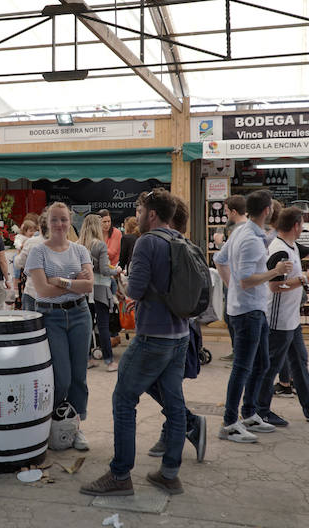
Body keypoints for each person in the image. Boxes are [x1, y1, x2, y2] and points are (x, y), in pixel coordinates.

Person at [80, 188, 189, 497]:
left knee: (124, 400)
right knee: (175, 403)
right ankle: (170, 474)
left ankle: (119, 475)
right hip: (180, 335)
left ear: (151, 214)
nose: (137, 217)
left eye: (140, 211)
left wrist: (126, 285)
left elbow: (136, 291)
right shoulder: (180, 239)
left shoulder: (147, 242)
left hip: (152, 336)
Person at [214, 189, 293, 443]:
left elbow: (220, 258)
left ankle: (248, 414)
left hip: (252, 309)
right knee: (242, 368)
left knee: (262, 364)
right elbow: (246, 280)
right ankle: (229, 423)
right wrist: (276, 271)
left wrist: (231, 288)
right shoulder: (248, 238)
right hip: (247, 312)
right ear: (268, 210)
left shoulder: (246, 232)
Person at [253, 207, 309, 427]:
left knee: (299, 362)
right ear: (296, 226)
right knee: (271, 366)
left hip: (291, 320)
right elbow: (274, 286)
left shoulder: (290, 246)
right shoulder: (279, 251)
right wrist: (305, 279)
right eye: (302, 223)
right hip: (278, 319)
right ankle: (260, 410)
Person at [26, 202, 94, 450]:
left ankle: (75, 428)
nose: (60, 224)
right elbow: (42, 290)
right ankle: (52, 423)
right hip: (50, 317)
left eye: (64, 219)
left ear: (70, 221)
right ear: (47, 222)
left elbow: (88, 286)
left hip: (80, 314)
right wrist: (73, 281)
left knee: (79, 377)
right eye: (55, 219)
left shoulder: (80, 250)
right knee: (61, 378)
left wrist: (61, 282)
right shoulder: (38, 252)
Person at [145, 196, 207, 464]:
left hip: (172, 331)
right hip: (181, 329)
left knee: (159, 383)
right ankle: (176, 429)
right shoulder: (180, 247)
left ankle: (186, 424)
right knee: (167, 386)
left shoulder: (175, 248)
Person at [78, 213, 122, 372]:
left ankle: (88, 358)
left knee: (87, 325)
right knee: (103, 326)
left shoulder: (78, 244)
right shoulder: (100, 245)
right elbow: (104, 269)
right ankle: (109, 361)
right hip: (100, 289)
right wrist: (115, 270)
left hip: (83, 289)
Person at [217, 195, 247, 361]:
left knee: (235, 319)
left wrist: (220, 244)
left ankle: (240, 355)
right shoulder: (239, 229)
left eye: (227, 211)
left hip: (236, 281)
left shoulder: (241, 231)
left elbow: (226, 257)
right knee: (230, 318)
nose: (226, 214)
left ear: (234, 212)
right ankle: (237, 351)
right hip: (233, 281)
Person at [13, 213, 48, 312]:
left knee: (30, 324)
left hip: (33, 290)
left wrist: (19, 253)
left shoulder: (32, 242)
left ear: (40, 226)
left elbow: (18, 263)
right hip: (54, 294)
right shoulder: (63, 243)